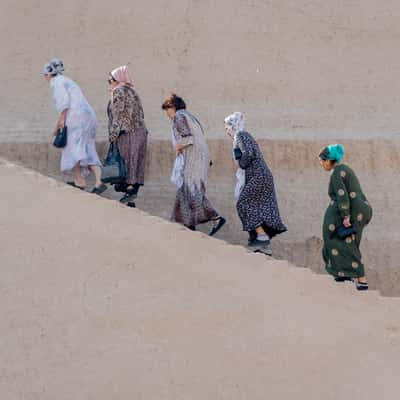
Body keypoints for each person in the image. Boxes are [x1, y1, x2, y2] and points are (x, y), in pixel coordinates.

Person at [162, 94, 225, 235]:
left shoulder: (179, 117)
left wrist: (178, 147)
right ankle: (188, 226)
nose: (167, 113)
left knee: (192, 191)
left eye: (167, 109)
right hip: (200, 158)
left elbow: (188, 138)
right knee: (185, 191)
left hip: (194, 159)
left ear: (173, 107)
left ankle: (215, 217)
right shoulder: (191, 117)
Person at [224, 112, 287, 252]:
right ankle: (263, 246)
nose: (226, 131)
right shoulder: (240, 137)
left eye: (227, 127)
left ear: (233, 125)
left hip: (259, 176)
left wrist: (241, 164)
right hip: (261, 176)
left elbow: (249, 153)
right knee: (257, 208)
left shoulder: (241, 135)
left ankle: (262, 236)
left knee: (243, 203)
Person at [43, 59, 106, 194]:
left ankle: (80, 181)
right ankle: (98, 181)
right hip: (89, 116)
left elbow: (64, 104)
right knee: (87, 147)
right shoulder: (68, 80)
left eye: (44, 75)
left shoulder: (56, 82)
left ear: (48, 74)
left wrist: (59, 124)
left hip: (75, 117)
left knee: (72, 147)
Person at [319, 144, 372, 290]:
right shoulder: (345, 169)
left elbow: (342, 195)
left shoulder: (337, 173)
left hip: (352, 212)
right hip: (361, 210)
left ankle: (361, 278)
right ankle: (344, 274)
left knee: (341, 242)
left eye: (323, 161)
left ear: (329, 160)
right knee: (348, 241)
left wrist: (345, 215)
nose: (322, 164)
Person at [107, 65, 148, 203]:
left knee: (124, 164)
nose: (109, 83)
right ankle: (130, 197)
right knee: (134, 164)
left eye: (110, 80)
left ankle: (128, 194)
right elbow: (141, 113)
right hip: (141, 132)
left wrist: (112, 136)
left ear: (117, 79)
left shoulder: (118, 91)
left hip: (128, 133)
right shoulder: (133, 92)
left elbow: (117, 115)